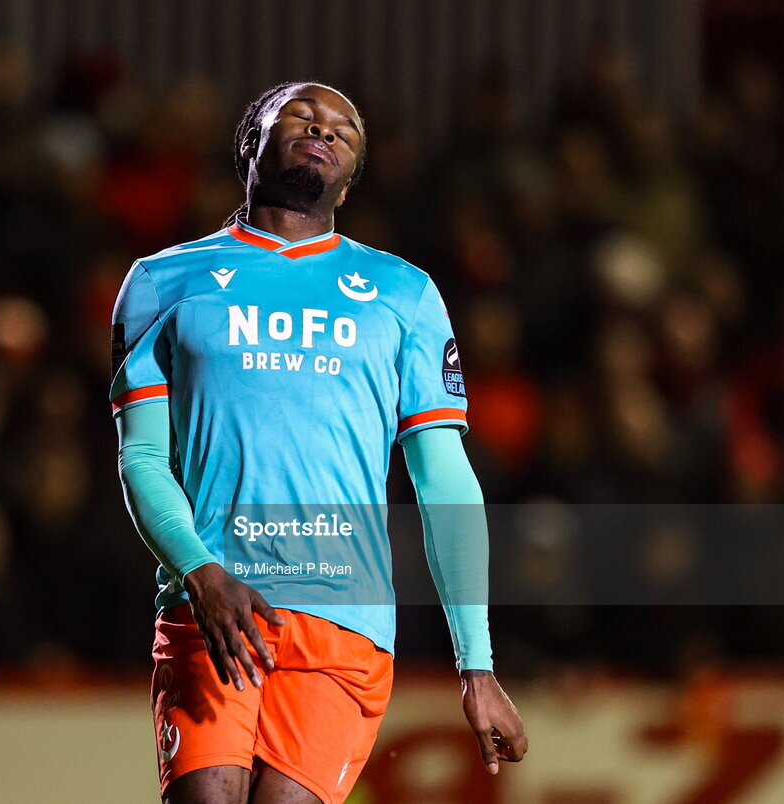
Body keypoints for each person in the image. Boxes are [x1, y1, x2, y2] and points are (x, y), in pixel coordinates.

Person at [112, 81, 527, 804]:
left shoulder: (403, 293)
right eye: (300, 116)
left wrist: (477, 666)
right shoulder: (161, 281)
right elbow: (142, 457)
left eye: (345, 128)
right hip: (214, 603)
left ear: (352, 174)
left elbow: (444, 481)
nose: (324, 129)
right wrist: (198, 572)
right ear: (251, 142)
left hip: (346, 620)